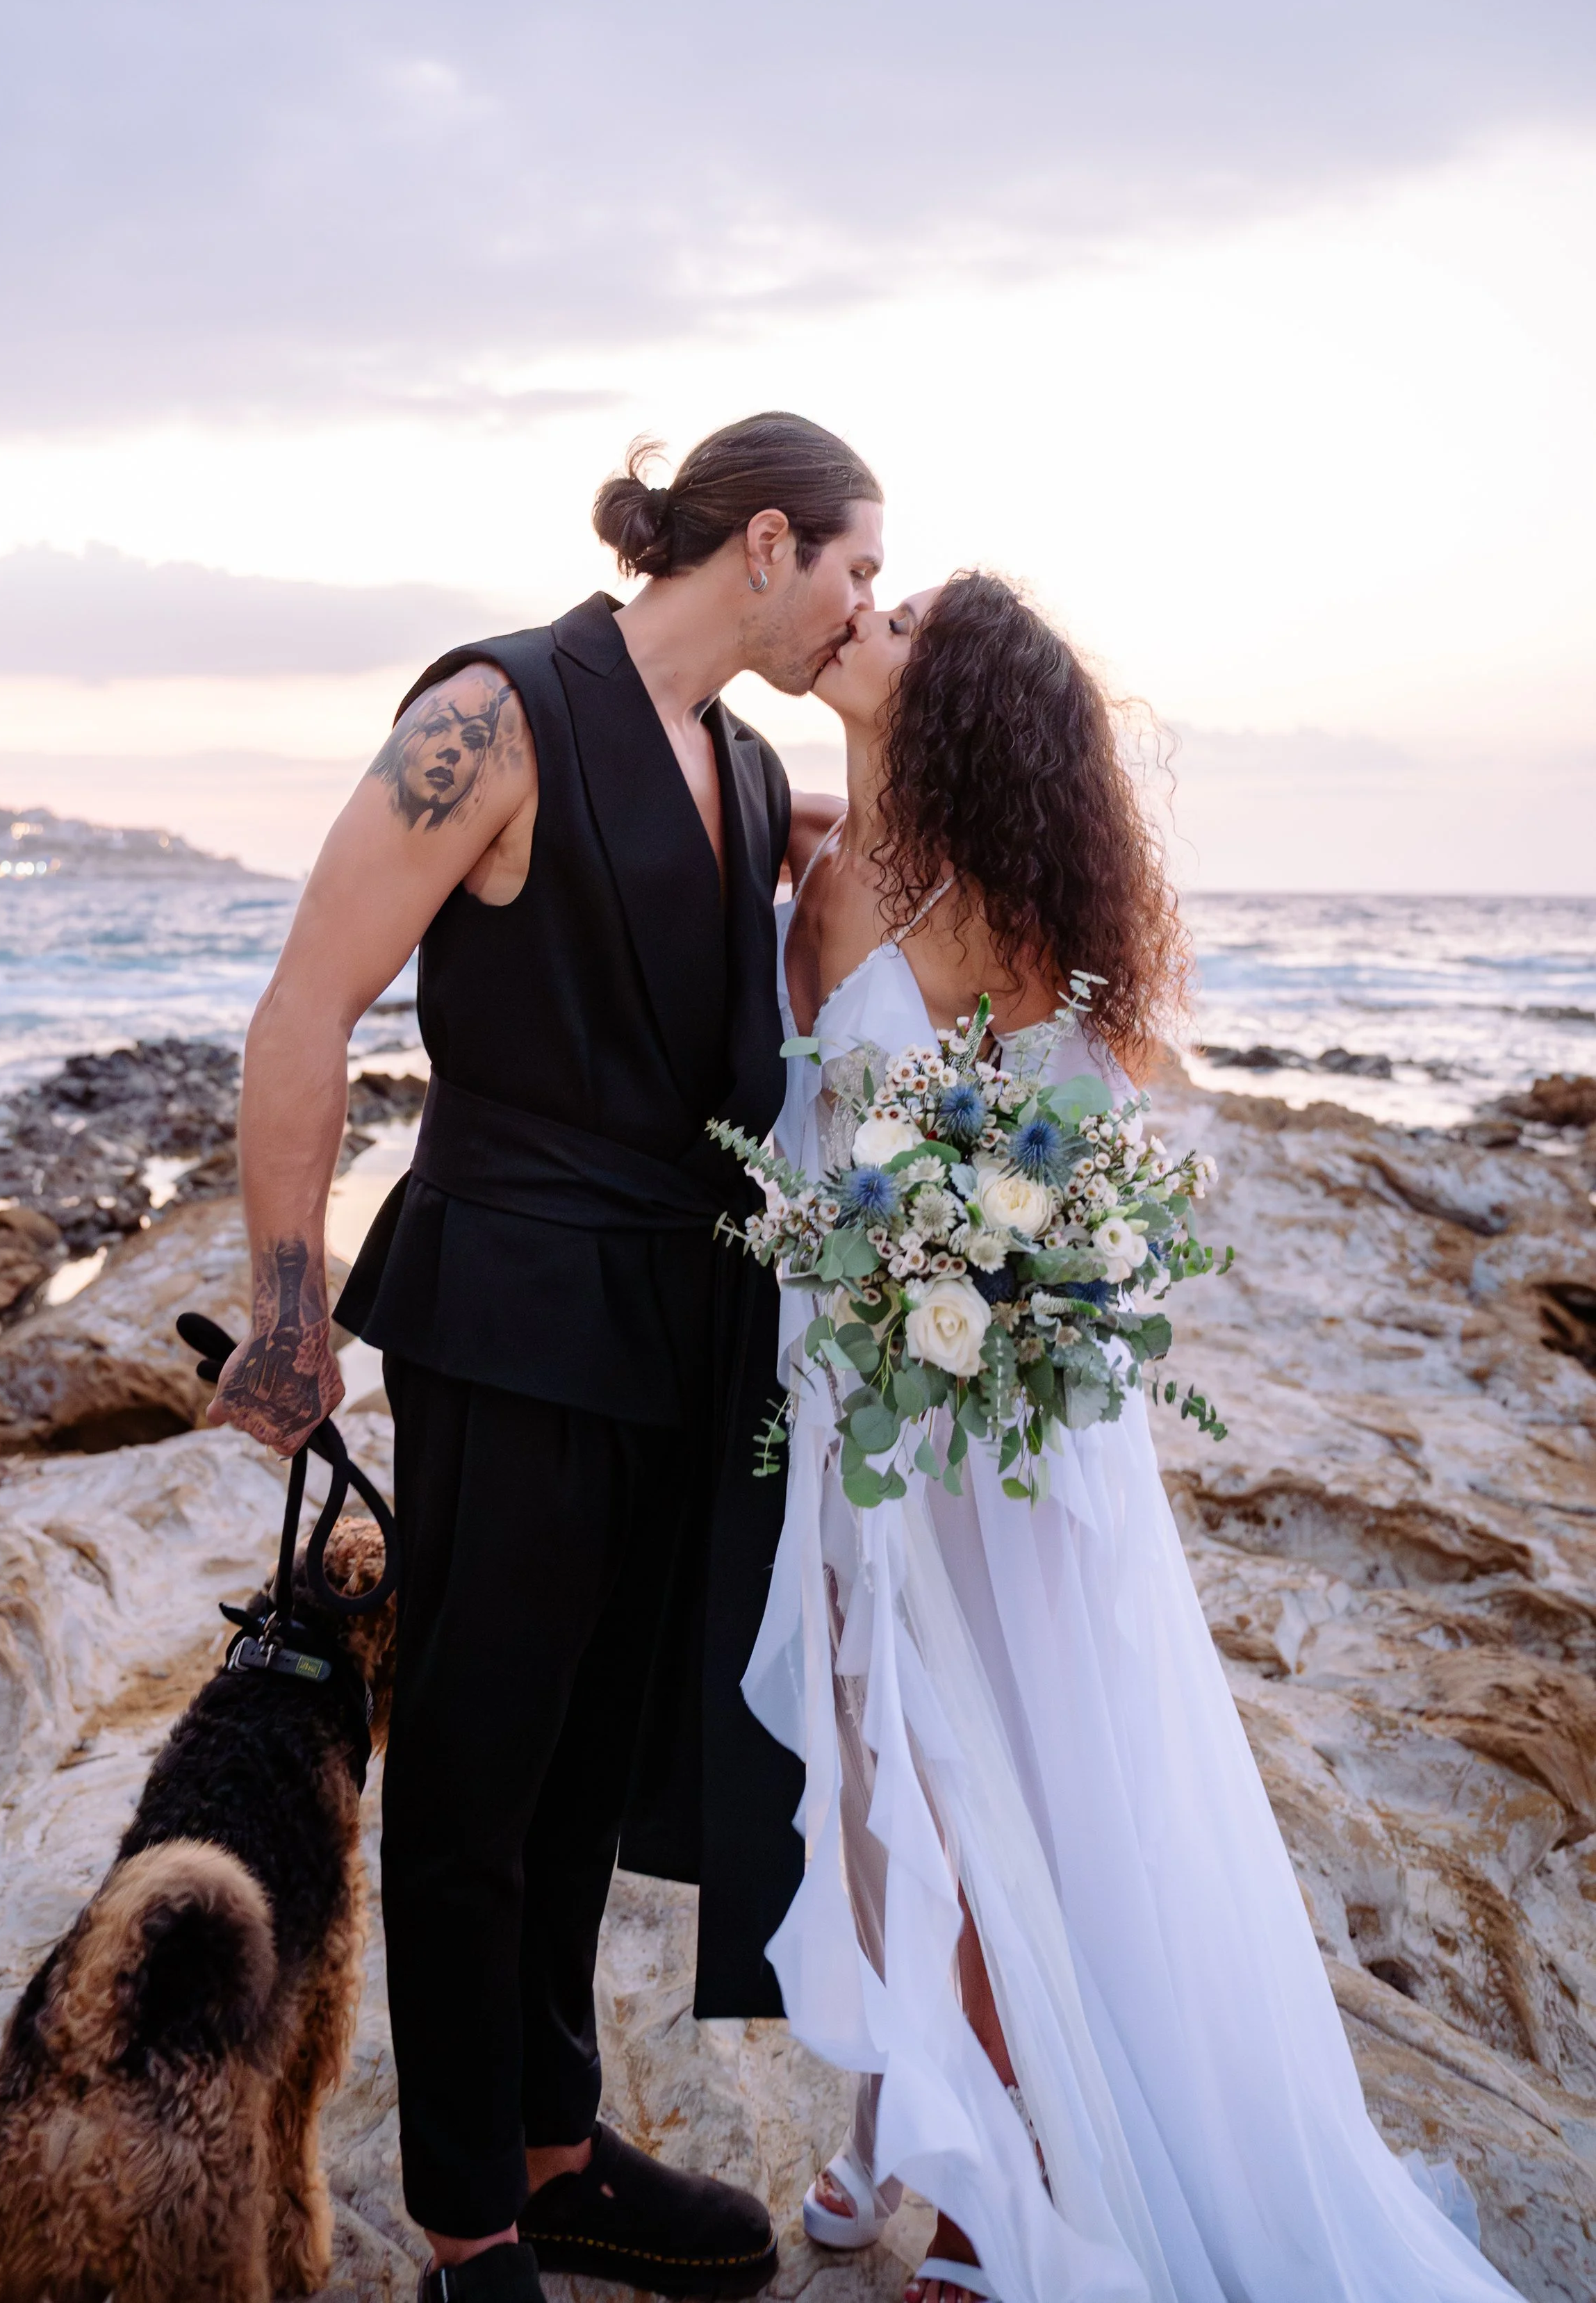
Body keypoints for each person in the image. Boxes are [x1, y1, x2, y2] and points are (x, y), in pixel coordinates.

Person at [746, 571, 1520, 2303]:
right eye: (859, 598)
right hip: (849, 1397)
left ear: (944, 704)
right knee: (878, 1778)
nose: (856, 619)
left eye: (894, 620)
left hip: (981, 1424)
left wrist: (985, 1272)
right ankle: (895, 2118)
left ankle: (1009, 2194)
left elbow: (1076, 1154)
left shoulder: (1001, 906)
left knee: (992, 1779)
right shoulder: (810, 869)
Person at [208, 413, 882, 2303]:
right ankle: (462, 2217)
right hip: (506, 1304)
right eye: (853, 569)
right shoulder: (493, 712)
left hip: (681, 1318)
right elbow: (304, 1003)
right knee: (476, 1777)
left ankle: (559, 2146)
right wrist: (287, 1310)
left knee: (589, 1764)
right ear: (765, 541)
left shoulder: (745, 770)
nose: (862, 606)